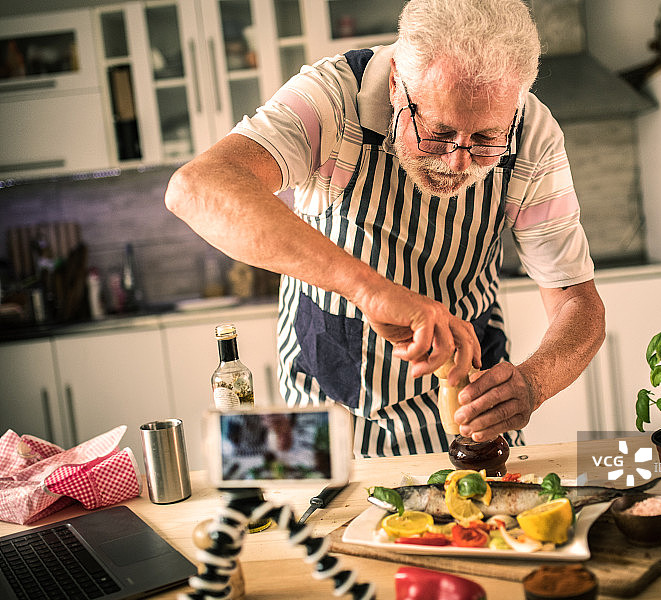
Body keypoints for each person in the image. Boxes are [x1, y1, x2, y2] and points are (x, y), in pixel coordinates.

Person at [165, 0, 605, 457]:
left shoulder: (532, 134)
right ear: (397, 83)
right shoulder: (330, 97)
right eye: (437, 131)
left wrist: (532, 384)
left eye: (486, 139)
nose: (457, 162)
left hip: (467, 411)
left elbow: (578, 302)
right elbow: (195, 187)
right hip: (325, 409)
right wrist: (370, 290)